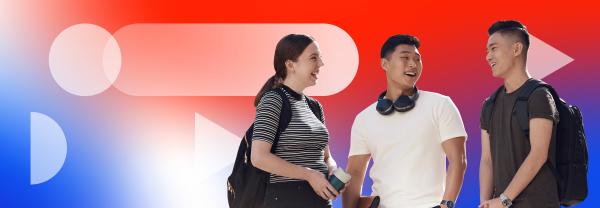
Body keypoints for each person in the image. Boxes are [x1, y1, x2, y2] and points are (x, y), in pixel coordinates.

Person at [343, 34, 468, 208]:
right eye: (405, 58)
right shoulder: (364, 118)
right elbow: (355, 172)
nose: (413, 64)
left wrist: (446, 205)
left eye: (417, 59)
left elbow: (458, 160)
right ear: (385, 64)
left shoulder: (440, 104)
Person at [251, 34, 339, 208]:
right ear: (290, 64)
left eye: (320, 58)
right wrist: (309, 175)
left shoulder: (315, 106)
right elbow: (259, 157)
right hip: (286, 200)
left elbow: (326, 156)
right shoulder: (273, 100)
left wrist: (332, 170)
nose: (321, 64)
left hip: (320, 202)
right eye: (313, 58)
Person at [479, 20, 560, 208]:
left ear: (516, 49)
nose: (488, 57)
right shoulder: (489, 104)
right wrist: (485, 202)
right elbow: (486, 160)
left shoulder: (539, 95)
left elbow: (539, 153)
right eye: (487, 51)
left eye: (493, 48)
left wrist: (505, 199)